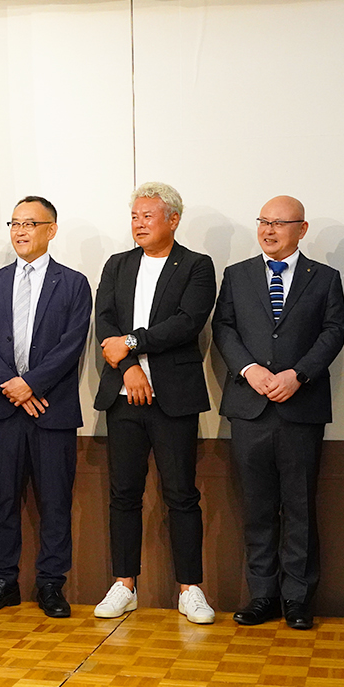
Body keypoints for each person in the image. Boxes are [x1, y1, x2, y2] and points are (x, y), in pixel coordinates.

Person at [212, 195, 344, 631]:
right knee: (257, 507)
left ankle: (298, 598)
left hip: (300, 407)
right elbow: (223, 328)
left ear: (301, 229)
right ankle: (262, 595)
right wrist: (248, 370)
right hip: (249, 408)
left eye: (279, 223)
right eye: (263, 222)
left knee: (300, 507)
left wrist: (299, 375)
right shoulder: (237, 275)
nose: (269, 231)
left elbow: (333, 332)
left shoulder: (324, 278)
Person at [91, 183, 217, 625]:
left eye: (148, 216)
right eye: (134, 216)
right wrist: (129, 367)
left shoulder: (196, 266)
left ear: (173, 220)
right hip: (124, 396)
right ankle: (124, 585)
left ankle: (190, 589)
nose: (139, 224)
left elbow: (186, 323)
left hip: (174, 398)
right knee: (123, 494)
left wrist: (130, 343)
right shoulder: (118, 264)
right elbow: (104, 320)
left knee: (181, 494)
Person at [0, 195, 93, 619]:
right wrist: (11, 386)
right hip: (6, 410)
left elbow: (72, 343)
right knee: (3, 501)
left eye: (30, 224)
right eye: (15, 223)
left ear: (51, 230)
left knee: (54, 502)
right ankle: (3, 582)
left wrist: (33, 384)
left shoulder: (73, 283)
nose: (20, 231)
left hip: (52, 410)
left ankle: (51, 584)